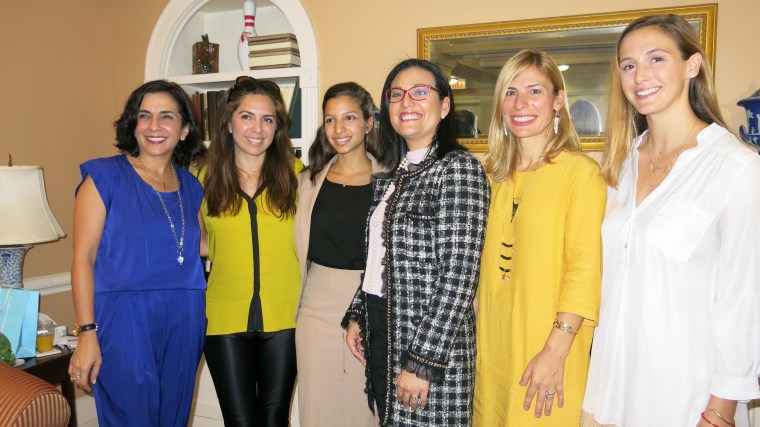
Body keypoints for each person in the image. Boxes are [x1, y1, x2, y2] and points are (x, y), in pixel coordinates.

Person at [582, 14, 760, 427]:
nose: (640, 75)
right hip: (606, 392)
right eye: (628, 65)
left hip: (686, 400)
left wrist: (720, 411)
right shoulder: (619, 166)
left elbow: (744, 300)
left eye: (656, 59)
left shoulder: (736, 166)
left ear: (692, 65)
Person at [342, 58, 490, 426]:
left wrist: (422, 362)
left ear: (443, 106)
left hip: (429, 349)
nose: (407, 102)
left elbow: (458, 277)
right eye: (396, 95)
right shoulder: (394, 176)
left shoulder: (458, 169)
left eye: (420, 92)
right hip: (383, 331)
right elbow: (379, 261)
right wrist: (358, 314)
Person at [472, 49, 606, 426]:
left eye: (534, 91)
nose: (521, 104)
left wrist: (554, 353)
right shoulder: (490, 176)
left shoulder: (581, 173)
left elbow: (585, 271)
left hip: (549, 351)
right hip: (491, 353)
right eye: (510, 92)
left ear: (558, 100)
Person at [68, 80, 207, 426]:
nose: (154, 126)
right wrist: (87, 334)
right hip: (124, 316)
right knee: (129, 417)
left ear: (185, 129)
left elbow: (205, 245)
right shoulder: (104, 177)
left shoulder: (191, 185)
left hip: (185, 315)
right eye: (144, 116)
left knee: (173, 416)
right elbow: (82, 259)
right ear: (133, 124)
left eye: (166, 117)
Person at [199, 76, 302, 426]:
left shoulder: (298, 176)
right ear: (229, 123)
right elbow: (195, 242)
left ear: (278, 128)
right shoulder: (203, 179)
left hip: (286, 318)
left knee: (274, 419)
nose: (257, 128)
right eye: (247, 116)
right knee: (240, 421)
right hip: (223, 319)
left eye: (268, 119)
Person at [294, 82, 393, 426]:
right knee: (317, 408)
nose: (339, 129)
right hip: (315, 307)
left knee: (365, 410)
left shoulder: (393, 180)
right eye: (331, 120)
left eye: (349, 118)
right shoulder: (308, 181)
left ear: (369, 122)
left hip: (372, 306)